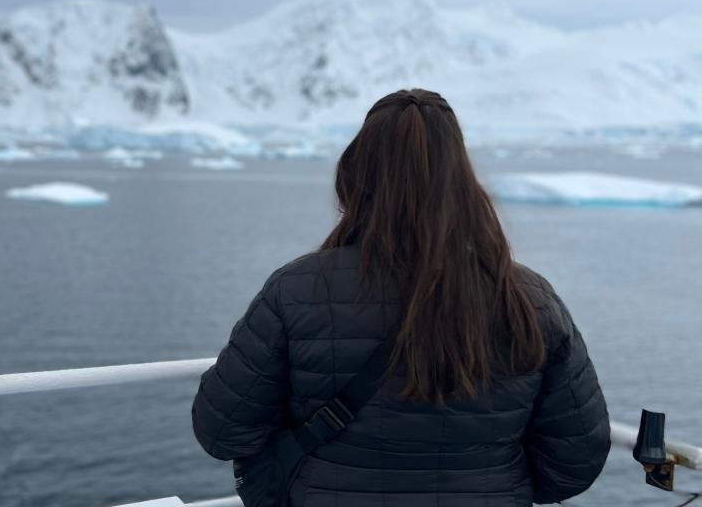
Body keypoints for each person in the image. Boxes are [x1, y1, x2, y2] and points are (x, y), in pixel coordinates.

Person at [192, 88, 610, 506]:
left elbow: (222, 430)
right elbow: (574, 463)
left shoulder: (298, 289)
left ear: (355, 175)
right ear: (463, 182)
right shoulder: (528, 299)